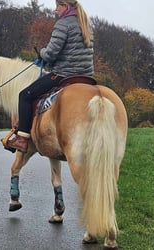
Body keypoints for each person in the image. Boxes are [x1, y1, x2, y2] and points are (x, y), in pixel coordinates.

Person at [7, 0, 94, 153]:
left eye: (57, 6)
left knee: (25, 95)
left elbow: (51, 53)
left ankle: (22, 138)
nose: (55, 10)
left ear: (65, 6)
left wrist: (41, 53)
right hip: (87, 77)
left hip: (64, 74)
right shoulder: (86, 24)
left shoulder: (63, 24)